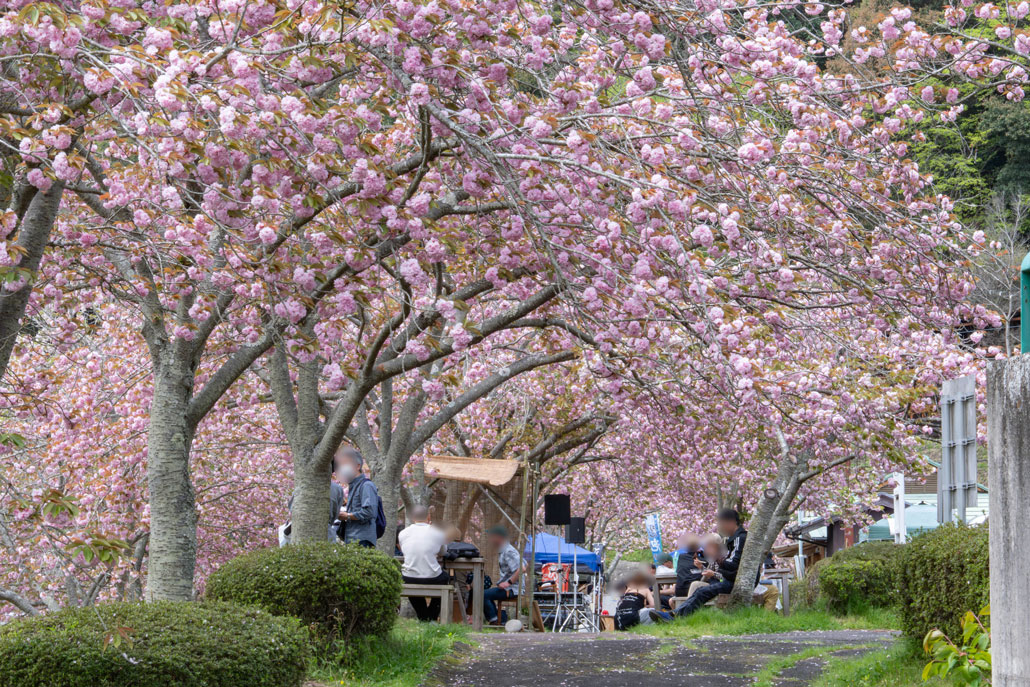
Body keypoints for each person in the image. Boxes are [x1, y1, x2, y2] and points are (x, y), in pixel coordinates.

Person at [675, 509, 748, 617]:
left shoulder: (738, 539)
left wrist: (714, 565)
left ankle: (678, 616)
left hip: (731, 582)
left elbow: (730, 568)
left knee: (701, 590)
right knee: (698, 588)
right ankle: (676, 614)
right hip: (724, 580)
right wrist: (705, 568)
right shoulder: (731, 542)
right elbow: (721, 572)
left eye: (722, 524)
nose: (721, 528)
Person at [398, 505, 450, 622]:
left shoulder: (403, 533)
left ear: (412, 518)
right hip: (432, 576)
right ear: (428, 516)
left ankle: (423, 617)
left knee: (410, 578)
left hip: (409, 577)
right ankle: (430, 617)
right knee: (445, 578)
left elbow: (404, 551)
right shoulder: (438, 532)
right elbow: (443, 552)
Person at [283, 455, 346, 544]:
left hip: (301, 529)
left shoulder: (304, 484)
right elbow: (335, 513)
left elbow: (292, 506)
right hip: (325, 529)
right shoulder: (337, 489)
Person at [336, 447, 379, 547]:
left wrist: (347, 516)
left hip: (362, 539)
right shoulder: (353, 485)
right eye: (341, 464)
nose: (342, 467)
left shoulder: (366, 486)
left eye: (345, 463)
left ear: (357, 466)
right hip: (351, 538)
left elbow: (370, 512)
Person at [483, 525, 524, 625]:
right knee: (485, 594)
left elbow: (522, 568)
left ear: (498, 537)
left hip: (512, 589)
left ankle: (496, 620)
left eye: (492, 536)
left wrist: (508, 582)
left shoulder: (508, 551)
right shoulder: (504, 550)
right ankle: (500, 618)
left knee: (482, 595)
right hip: (508, 588)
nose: (490, 539)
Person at [672, 533, 703, 598]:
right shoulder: (702, 560)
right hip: (695, 590)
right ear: (698, 547)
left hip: (681, 589)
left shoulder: (681, 557)